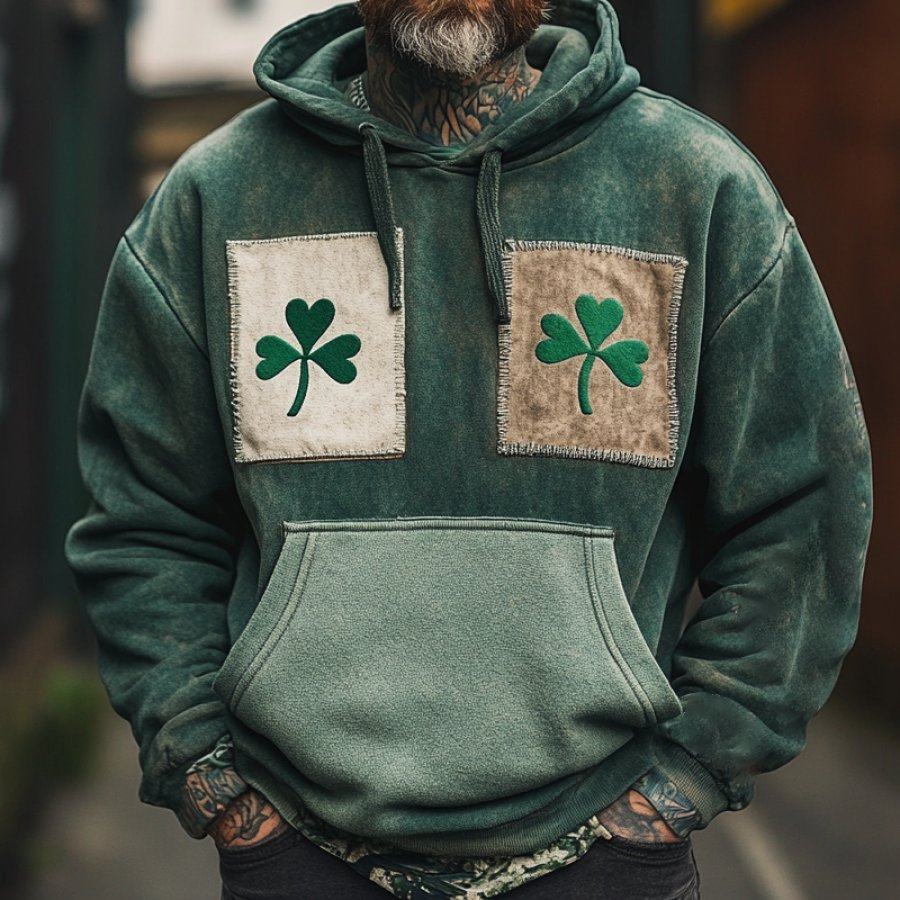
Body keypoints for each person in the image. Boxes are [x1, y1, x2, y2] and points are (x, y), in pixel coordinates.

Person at [65, 1, 873, 897]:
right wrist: (213, 778)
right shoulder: (220, 197)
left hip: (606, 855)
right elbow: (144, 520)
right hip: (298, 852)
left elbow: (804, 509)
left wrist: (687, 774)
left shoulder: (692, 184)